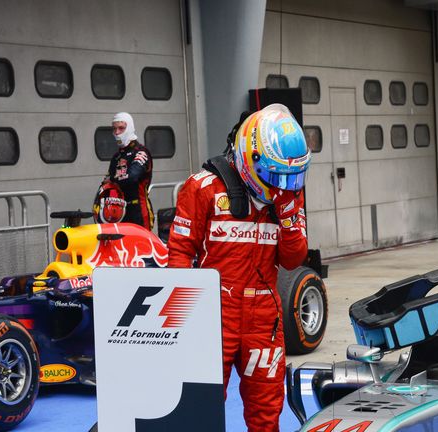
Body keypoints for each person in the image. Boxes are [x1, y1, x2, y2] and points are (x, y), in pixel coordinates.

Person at [167, 104, 309, 432]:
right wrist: (183, 321)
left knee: (266, 413)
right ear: (250, 156)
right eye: (274, 175)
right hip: (213, 316)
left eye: (291, 176)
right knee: (198, 407)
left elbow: (293, 259)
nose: (282, 185)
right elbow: (179, 254)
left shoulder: (288, 195)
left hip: (264, 320)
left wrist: (288, 216)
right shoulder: (202, 187)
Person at [94, 112, 154, 230]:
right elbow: (105, 184)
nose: (117, 132)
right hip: (118, 212)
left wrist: (113, 179)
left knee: (140, 247)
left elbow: (132, 177)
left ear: (130, 128)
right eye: (114, 129)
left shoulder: (141, 152)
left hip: (138, 211)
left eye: (121, 128)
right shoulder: (116, 157)